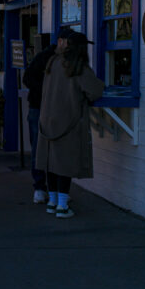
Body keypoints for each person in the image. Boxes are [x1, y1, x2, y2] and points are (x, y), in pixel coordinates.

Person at [35, 30, 104, 218]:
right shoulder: (78, 66)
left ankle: (53, 201)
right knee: (65, 164)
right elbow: (94, 91)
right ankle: (63, 206)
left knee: (51, 164)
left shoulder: (53, 62)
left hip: (48, 121)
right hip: (68, 122)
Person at [22, 33, 57, 204]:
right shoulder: (43, 58)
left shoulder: (66, 61)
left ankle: (54, 189)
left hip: (55, 110)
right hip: (38, 107)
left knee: (54, 150)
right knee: (38, 148)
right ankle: (39, 187)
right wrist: (45, 91)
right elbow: (27, 78)